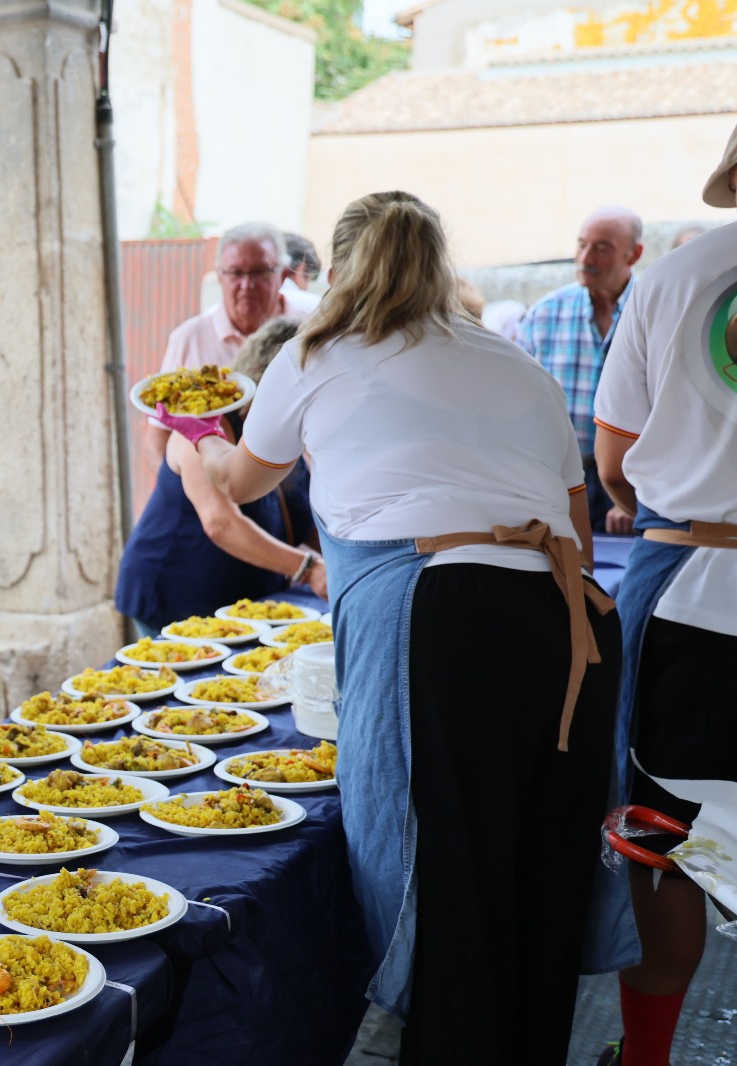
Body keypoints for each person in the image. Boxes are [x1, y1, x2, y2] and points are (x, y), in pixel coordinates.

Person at [167, 191, 630, 1064]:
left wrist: (189, 445)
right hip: (569, 628)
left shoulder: (314, 353)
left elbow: (239, 481)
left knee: (450, 881)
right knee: (541, 879)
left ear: (336, 273)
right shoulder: (515, 361)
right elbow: (572, 514)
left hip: (447, 617)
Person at [591, 128, 737, 1066]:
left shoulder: (677, 277)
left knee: (666, 841)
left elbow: (613, 458)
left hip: (689, 587)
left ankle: (643, 1059)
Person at [116, 316, 321, 635]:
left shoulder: (285, 433)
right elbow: (220, 523)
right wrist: (308, 569)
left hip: (245, 598)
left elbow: (307, 520)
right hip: (174, 594)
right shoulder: (202, 425)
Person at [141, 221, 314, 472]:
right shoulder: (189, 338)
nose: (247, 285)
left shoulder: (310, 333)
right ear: (220, 276)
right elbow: (159, 434)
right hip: (215, 490)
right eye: (235, 273)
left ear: (283, 274)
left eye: (260, 272)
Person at [518, 205, 643, 535]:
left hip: (635, 478)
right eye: (582, 244)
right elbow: (519, 403)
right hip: (560, 476)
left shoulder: (654, 310)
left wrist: (631, 498)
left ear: (635, 254)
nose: (586, 257)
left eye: (603, 248)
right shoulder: (545, 313)